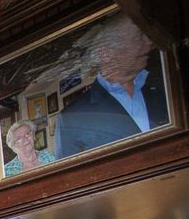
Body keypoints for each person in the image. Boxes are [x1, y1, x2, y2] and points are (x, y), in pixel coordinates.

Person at [56, 13, 169, 158]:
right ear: (106, 53)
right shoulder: (70, 118)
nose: (149, 42)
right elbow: (70, 178)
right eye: (138, 38)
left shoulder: (167, 88)